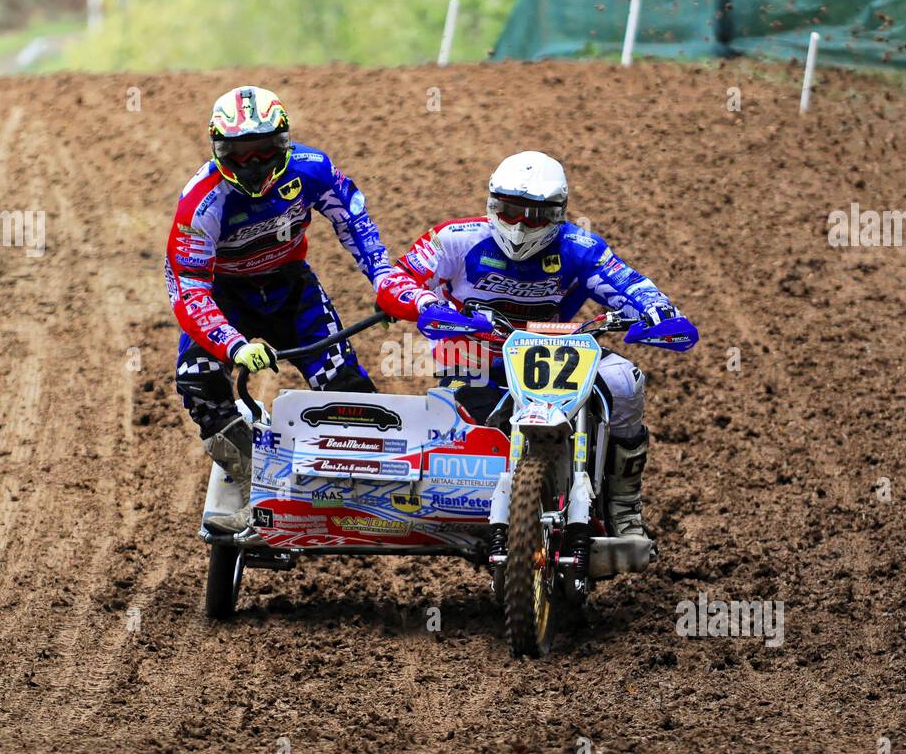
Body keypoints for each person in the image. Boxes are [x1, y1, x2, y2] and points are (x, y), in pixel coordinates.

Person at [375, 150, 691, 540]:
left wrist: (658, 309)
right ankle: (459, 504)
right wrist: (429, 304)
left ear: (557, 213)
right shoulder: (455, 238)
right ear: (492, 204)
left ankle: (624, 502)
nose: (521, 225)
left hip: (559, 354)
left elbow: (628, 284)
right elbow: (394, 279)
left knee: (625, 380)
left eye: (535, 215)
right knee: (463, 430)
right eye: (509, 210)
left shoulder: (581, 247)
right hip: (478, 354)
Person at [166, 85, 405, 530]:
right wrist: (232, 346)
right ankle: (252, 477)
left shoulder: (312, 169)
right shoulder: (200, 202)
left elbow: (354, 221)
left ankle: (375, 478)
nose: (252, 164)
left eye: (263, 151)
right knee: (196, 380)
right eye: (239, 153)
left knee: (344, 384)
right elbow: (188, 290)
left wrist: (385, 278)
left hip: (290, 288)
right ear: (218, 149)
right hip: (225, 296)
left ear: (283, 145)